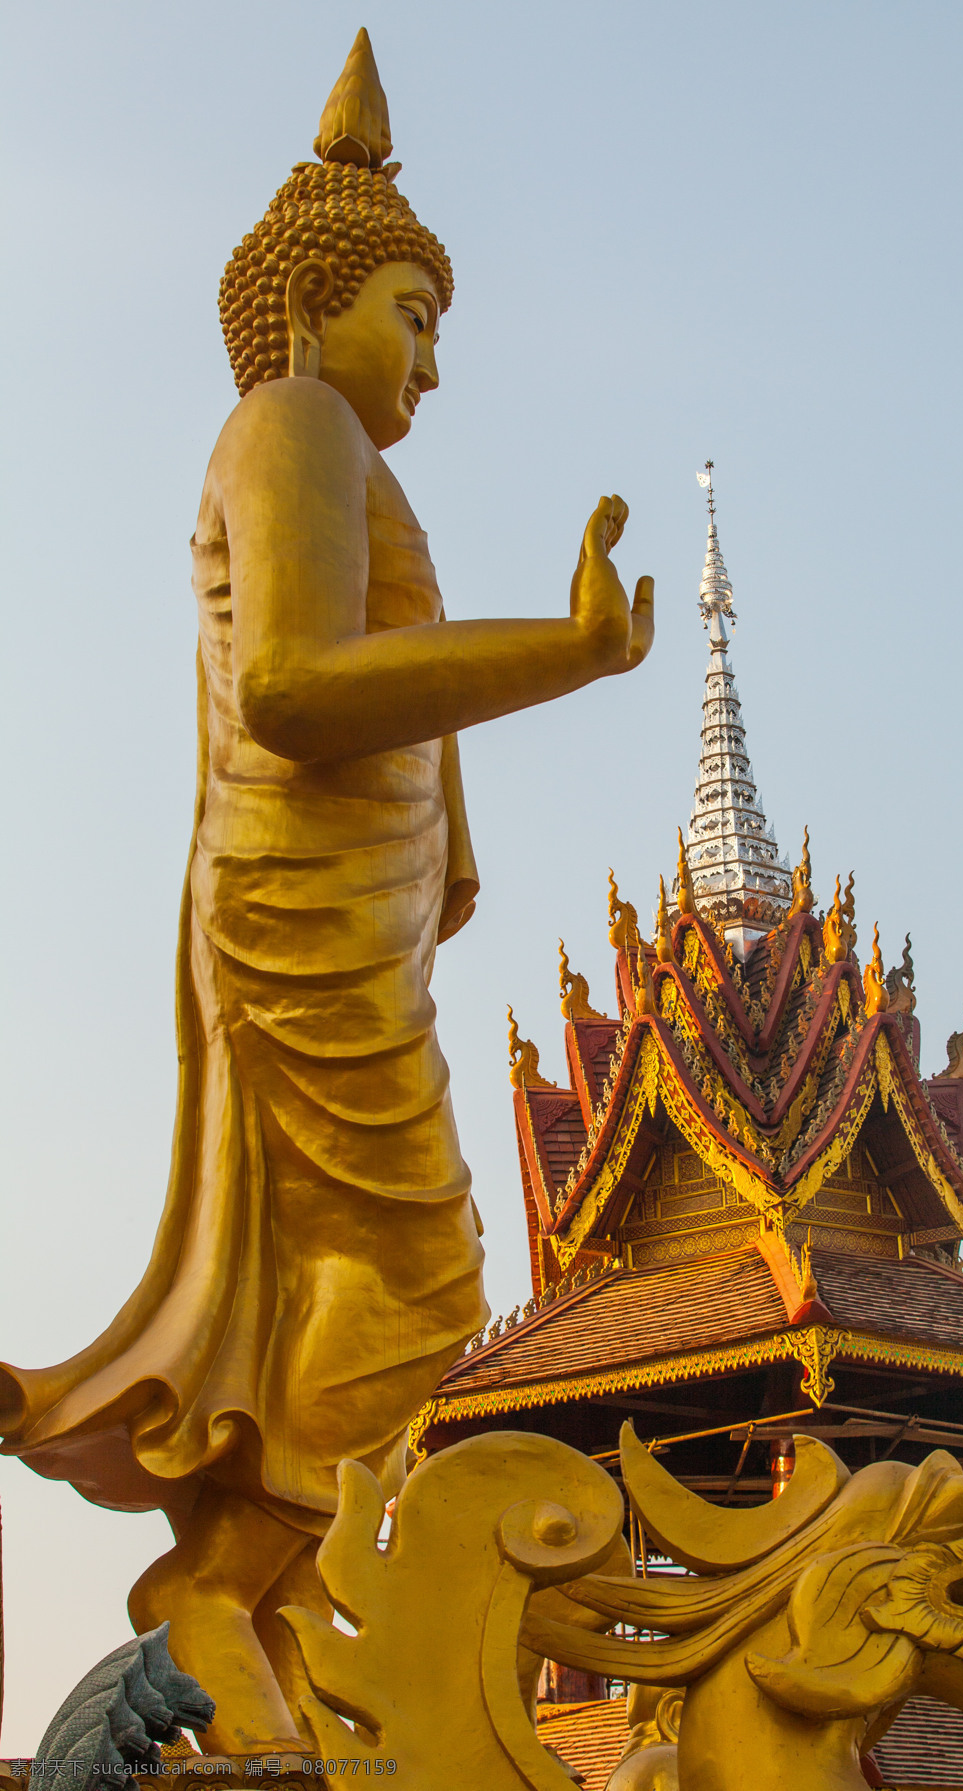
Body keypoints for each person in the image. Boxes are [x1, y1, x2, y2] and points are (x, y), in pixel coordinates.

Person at [0, 30, 653, 1751]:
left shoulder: (360, 463)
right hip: (296, 919)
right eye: (411, 317)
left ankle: (263, 1606)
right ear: (306, 310)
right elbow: (293, 685)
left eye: (439, 329)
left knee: (350, 1284)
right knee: (419, 1269)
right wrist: (565, 656)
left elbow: (385, 685)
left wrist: (449, 838)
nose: (430, 367)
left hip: (345, 921)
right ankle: (215, 1587)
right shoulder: (286, 421)